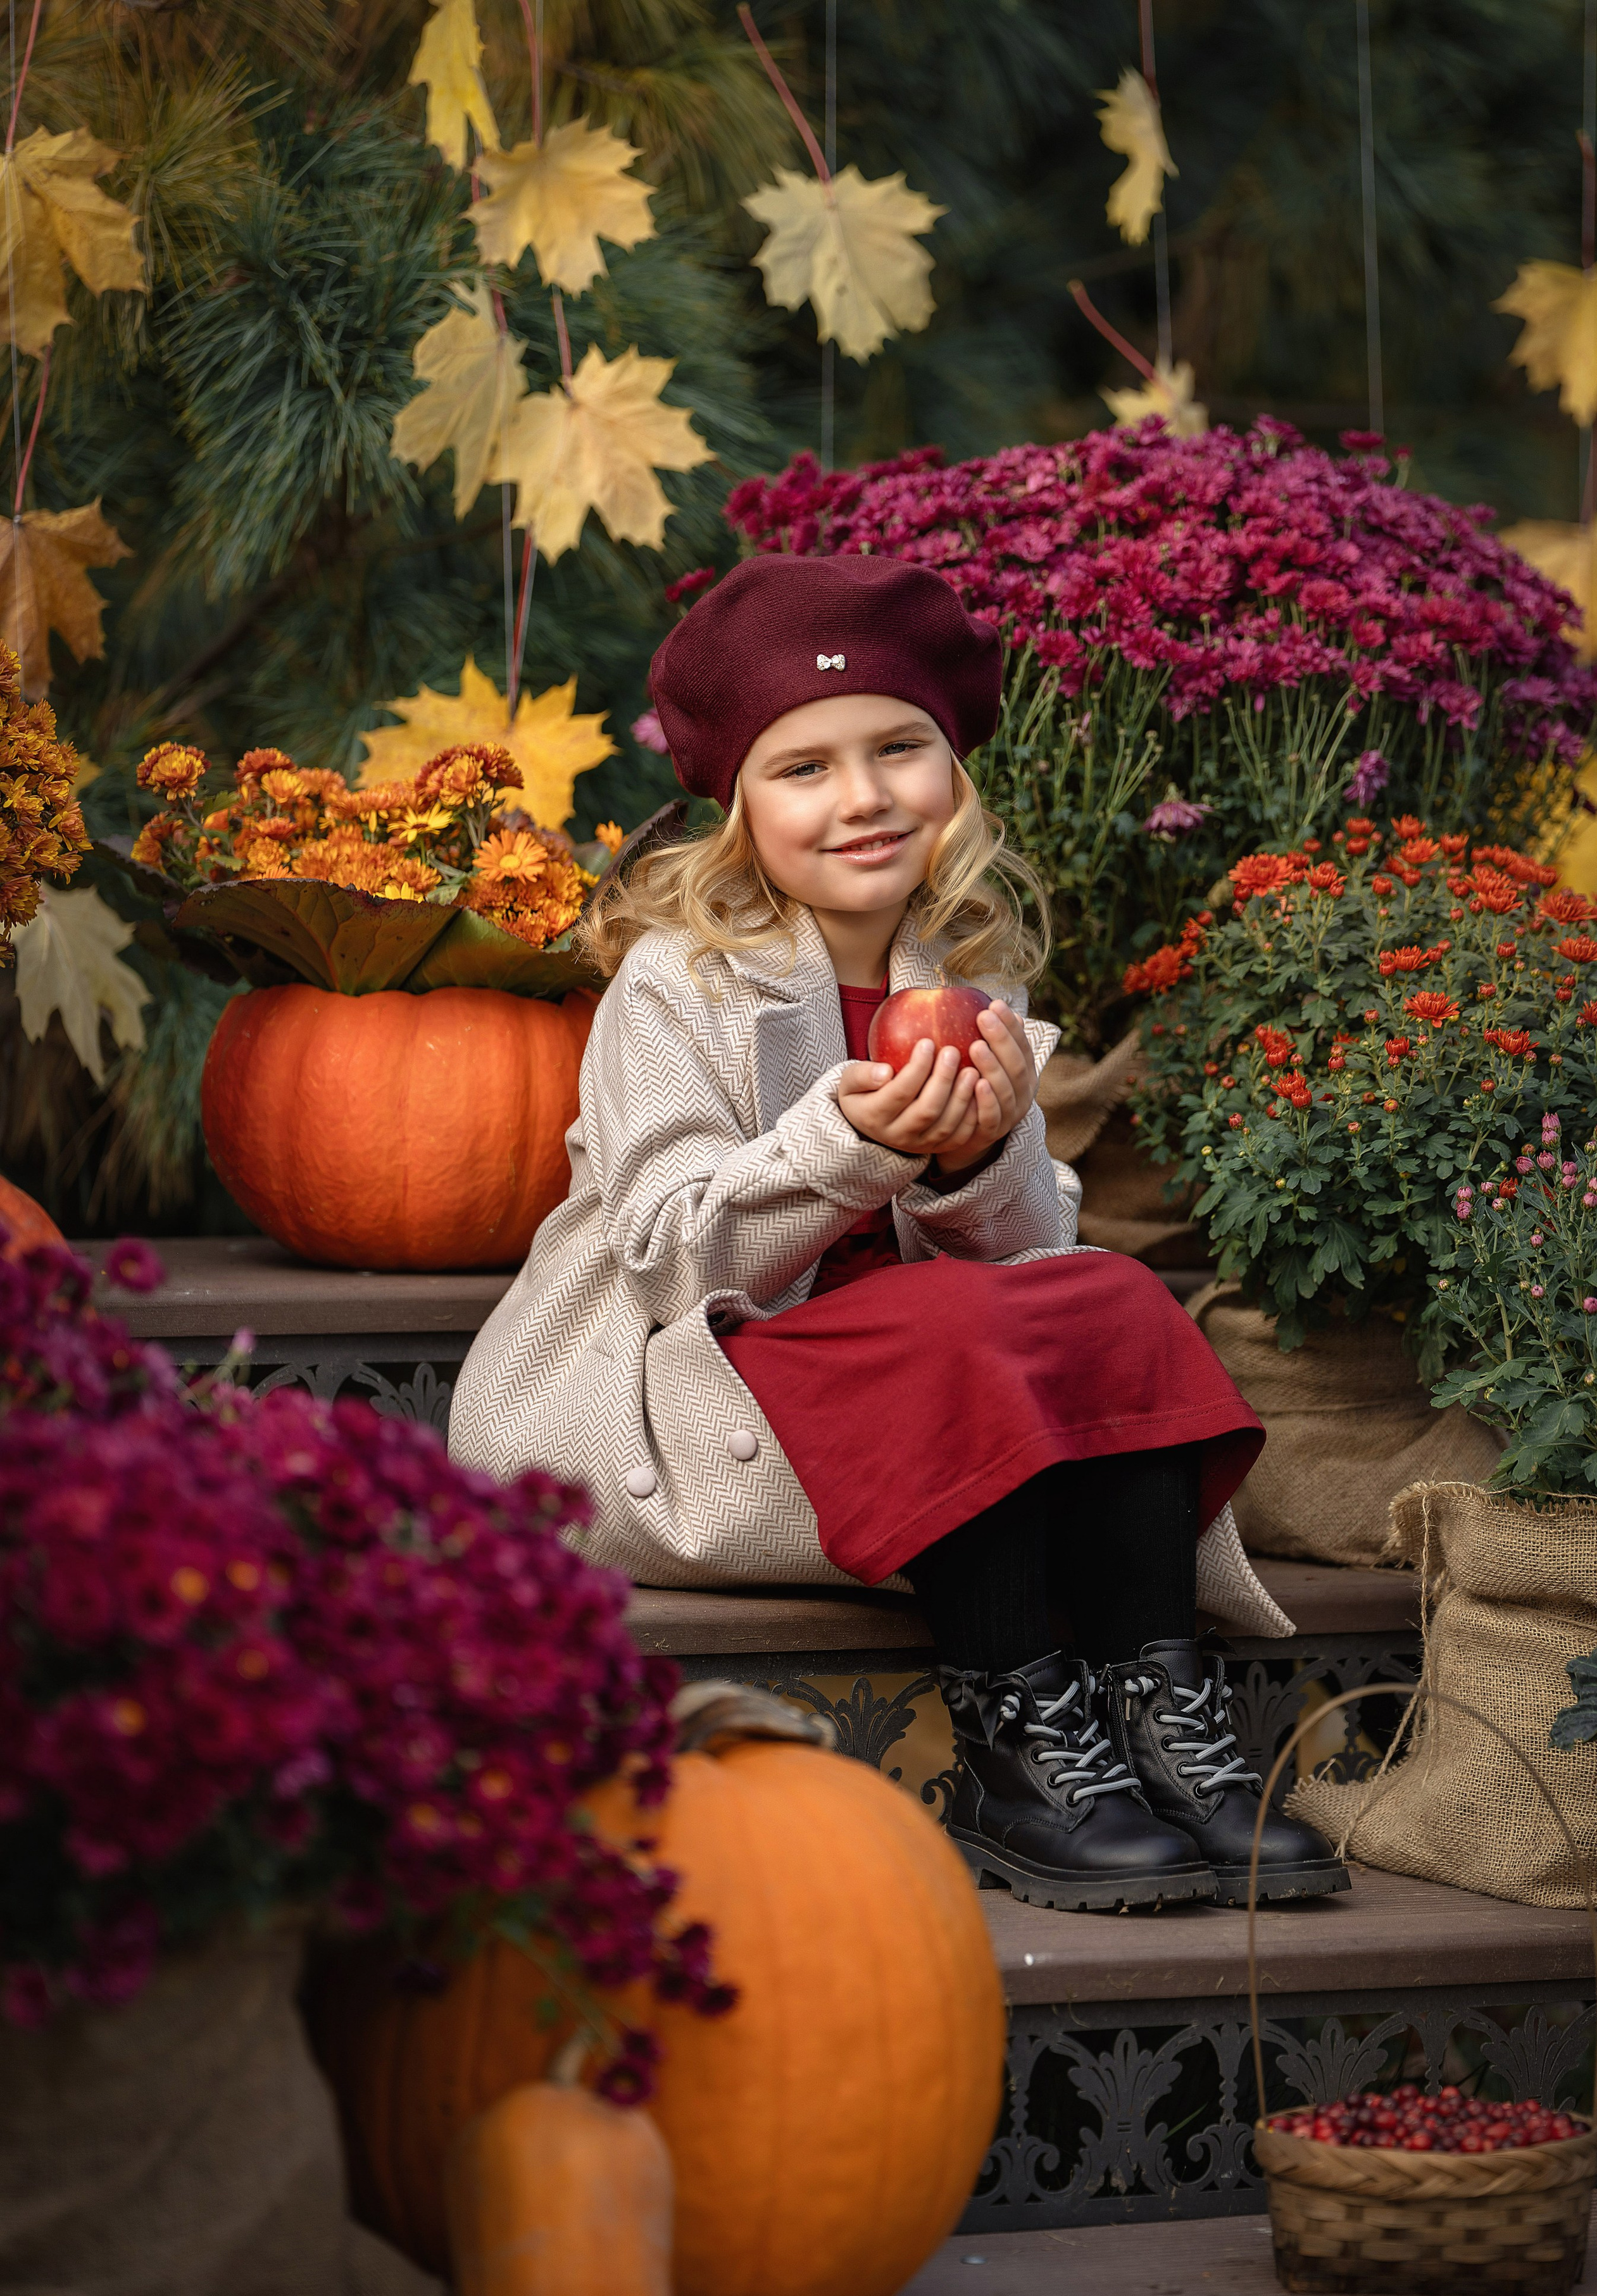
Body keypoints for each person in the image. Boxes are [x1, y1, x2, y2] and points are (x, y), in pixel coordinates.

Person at [449, 554, 1347, 1912]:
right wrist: (853, 1145)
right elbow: (670, 1254)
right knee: (943, 1327)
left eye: (896, 750)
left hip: (937, 1389)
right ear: (736, 809)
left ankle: (1158, 1711)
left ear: (952, 772)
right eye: (801, 769)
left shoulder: (963, 971)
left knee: (1107, 1293)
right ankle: (1014, 1744)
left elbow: (1028, 1264)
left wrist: (982, 1153)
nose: (861, 798)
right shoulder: (675, 980)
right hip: (707, 1392)